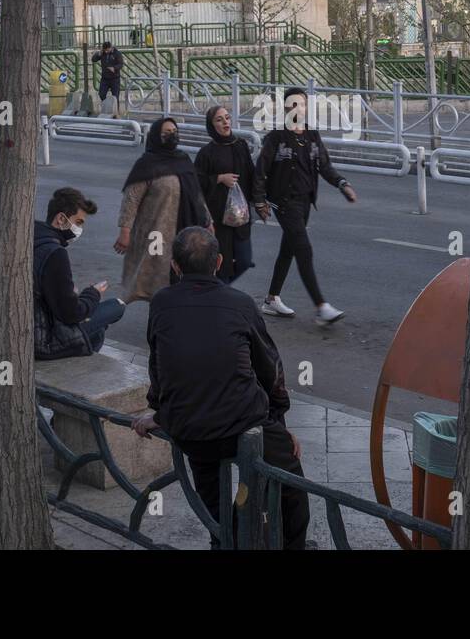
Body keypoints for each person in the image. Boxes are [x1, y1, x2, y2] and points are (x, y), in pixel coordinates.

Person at [132, 227, 309, 549]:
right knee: (292, 487)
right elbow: (270, 369)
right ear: (219, 262)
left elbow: (159, 365)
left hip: (189, 430)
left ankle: (224, 539)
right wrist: (279, 424)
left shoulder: (161, 302)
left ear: (175, 265)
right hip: (243, 424)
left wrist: (160, 412)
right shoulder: (240, 303)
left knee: (212, 497)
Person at [253, 87, 357, 325]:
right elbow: (260, 171)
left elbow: (325, 167)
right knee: (303, 249)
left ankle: (271, 299)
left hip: (305, 203)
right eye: (292, 105)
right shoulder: (276, 138)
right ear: (285, 109)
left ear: (306, 107)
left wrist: (343, 184)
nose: (296, 109)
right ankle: (321, 306)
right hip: (283, 203)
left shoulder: (311, 136)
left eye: (301, 104)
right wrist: (259, 201)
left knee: (288, 250)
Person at [114, 118, 212, 302]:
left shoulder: (183, 159)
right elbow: (131, 199)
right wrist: (125, 232)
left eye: (174, 131)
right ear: (156, 136)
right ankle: (159, 320)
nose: (172, 135)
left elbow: (196, 194)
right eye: (166, 132)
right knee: (156, 280)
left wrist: (208, 221)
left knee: (184, 276)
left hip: (186, 230)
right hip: (157, 233)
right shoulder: (146, 165)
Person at [34, 188, 126, 359]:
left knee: (97, 328)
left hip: (34, 321)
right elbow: (71, 314)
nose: (79, 229)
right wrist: (93, 294)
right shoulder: (55, 253)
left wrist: (69, 293)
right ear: (61, 219)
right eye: (79, 222)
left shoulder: (33, 235)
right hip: (42, 336)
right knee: (116, 307)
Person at [195, 105, 256, 283]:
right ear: (211, 125)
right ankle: (220, 297)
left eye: (227, 118)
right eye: (219, 120)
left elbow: (251, 174)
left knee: (244, 261)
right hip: (218, 218)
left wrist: (260, 201)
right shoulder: (206, 153)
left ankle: (218, 293)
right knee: (222, 266)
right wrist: (219, 178)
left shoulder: (241, 145)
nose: (225, 122)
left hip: (240, 217)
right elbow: (196, 184)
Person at [92, 40, 124, 118]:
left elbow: (121, 64)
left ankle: (116, 113)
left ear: (111, 47)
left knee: (115, 96)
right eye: (104, 50)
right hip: (105, 78)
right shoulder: (102, 53)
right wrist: (98, 54)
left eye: (107, 50)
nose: (106, 51)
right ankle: (107, 109)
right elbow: (94, 60)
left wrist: (114, 68)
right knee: (101, 94)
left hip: (115, 78)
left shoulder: (117, 53)